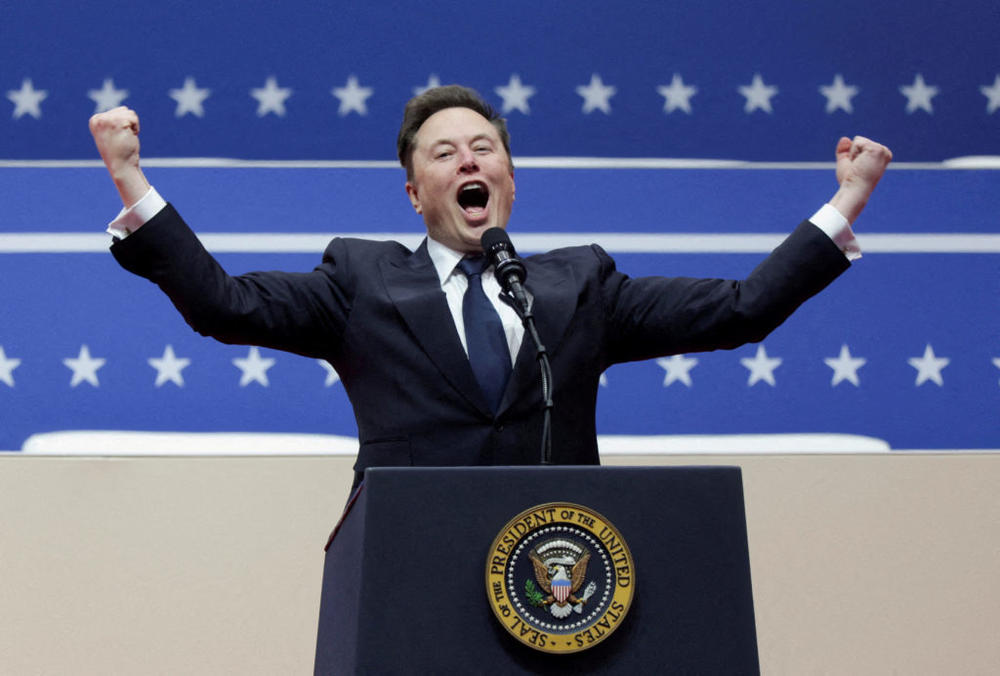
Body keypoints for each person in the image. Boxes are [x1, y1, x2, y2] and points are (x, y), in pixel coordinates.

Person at [89, 85, 892, 491]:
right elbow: (225, 306)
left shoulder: (582, 284)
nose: (469, 161)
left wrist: (845, 201)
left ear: (510, 176)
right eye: (445, 153)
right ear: (412, 193)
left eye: (483, 148)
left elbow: (740, 310)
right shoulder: (359, 279)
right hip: (407, 566)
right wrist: (131, 178)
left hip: (560, 570)